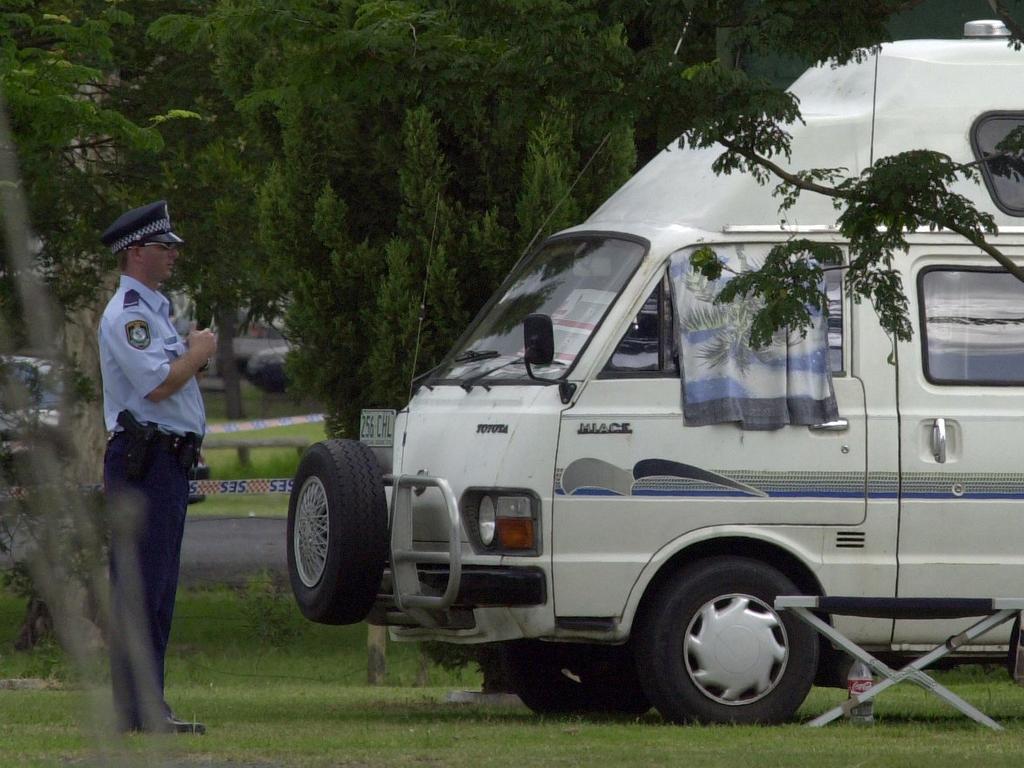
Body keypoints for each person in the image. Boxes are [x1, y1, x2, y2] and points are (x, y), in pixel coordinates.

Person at [98, 200, 216, 734]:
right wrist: (198, 352)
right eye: (165, 247)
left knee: (158, 587)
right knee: (142, 586)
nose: (173, 255)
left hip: (167, 463)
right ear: (137, 252)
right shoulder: (128, 314)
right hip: (143, 463)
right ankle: (139, 707)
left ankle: (147, 706)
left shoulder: (154, 310)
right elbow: (159, 383)